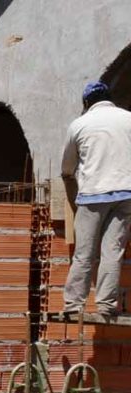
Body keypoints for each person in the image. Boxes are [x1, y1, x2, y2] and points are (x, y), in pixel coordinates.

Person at [61, 80, 131, 318]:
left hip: (93, 194)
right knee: (113, 251)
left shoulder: (80, 124)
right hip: (127, 194)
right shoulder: (128, 118)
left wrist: (70, 179)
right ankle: (106, 305)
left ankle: (73, 305)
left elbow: (67, 167)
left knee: (85, 252)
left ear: (87, 103)